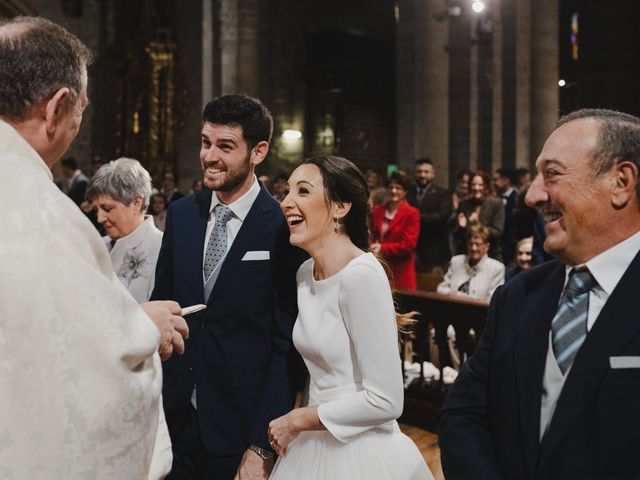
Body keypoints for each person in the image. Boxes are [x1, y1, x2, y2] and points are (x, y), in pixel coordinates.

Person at [0, 16, 187, 479]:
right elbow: (77, 373)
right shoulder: (40, 213)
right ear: (56, 108)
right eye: (81, 109)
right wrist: (143, 330)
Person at [438, 108, 640, 479]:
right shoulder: (518, 295)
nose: (532, 195)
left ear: (621, 183)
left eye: (552, 174)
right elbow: (463, 414)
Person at [152, 94, 304, 479]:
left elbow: (285, 346)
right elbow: (163, 306)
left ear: (259, 151)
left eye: (225, 146)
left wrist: (260, 445)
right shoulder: (182, 214)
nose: (210, 156)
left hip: (239, 427)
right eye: (205, 142)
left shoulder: (280, 226)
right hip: (174, 420)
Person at [270, 155, 432, 479]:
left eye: (303, 191)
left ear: (341, 207)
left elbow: (386, 400)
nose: (286, 202)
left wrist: (298, 419)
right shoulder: (305, 273)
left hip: (361, 448)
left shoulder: (361, 276)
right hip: (312, 443)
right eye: (287, 192)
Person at [86, 157, 163, 303]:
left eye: (107, 208)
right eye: (96, 210)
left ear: (136, 203)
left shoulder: (163, 248)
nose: (100, 218)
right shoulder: (97, 246)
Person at [370, 171, 420, 290]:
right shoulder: (377, 211)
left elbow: (408, 245)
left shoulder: (412, 213)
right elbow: (371, 235)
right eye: (391, 187)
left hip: (400, 273)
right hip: (379, 269)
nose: (393, 191)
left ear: (405, 192)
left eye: (398, 188)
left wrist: (382, 248)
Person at [407, 158, 453, 273]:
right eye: (419, 171)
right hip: (411, 251)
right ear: (415, 173)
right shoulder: (407, 192)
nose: (422, 175)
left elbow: (441, 217)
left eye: (426, 172)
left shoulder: (443, 194)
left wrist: (413, 218)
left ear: (433, 174)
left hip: (434, 252)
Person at [437, 224, 505, 301]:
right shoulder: (456, 261)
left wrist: (467, 299)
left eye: (477, 244)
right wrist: (453, 293)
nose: (473, 248)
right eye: (470, 244)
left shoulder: (496, 268)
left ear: (486, 247)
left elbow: (492, 300)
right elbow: (441, 288)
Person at [452, 170, 505, 261]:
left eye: (480, 185)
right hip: (468, 255)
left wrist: (478, 225)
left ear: (486, 186)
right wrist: (462, 227)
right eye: (473, 184)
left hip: (491, 255)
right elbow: (456, 236)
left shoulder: (496, 203)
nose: (476, 188)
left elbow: (498, 232)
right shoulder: (463, 204)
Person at [493, 167, 518, 263]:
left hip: (511, 248)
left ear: (506, 180)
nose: (493, 183)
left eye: (496, 180)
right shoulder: (495, 198)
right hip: (498, 248)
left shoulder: (517, 198)